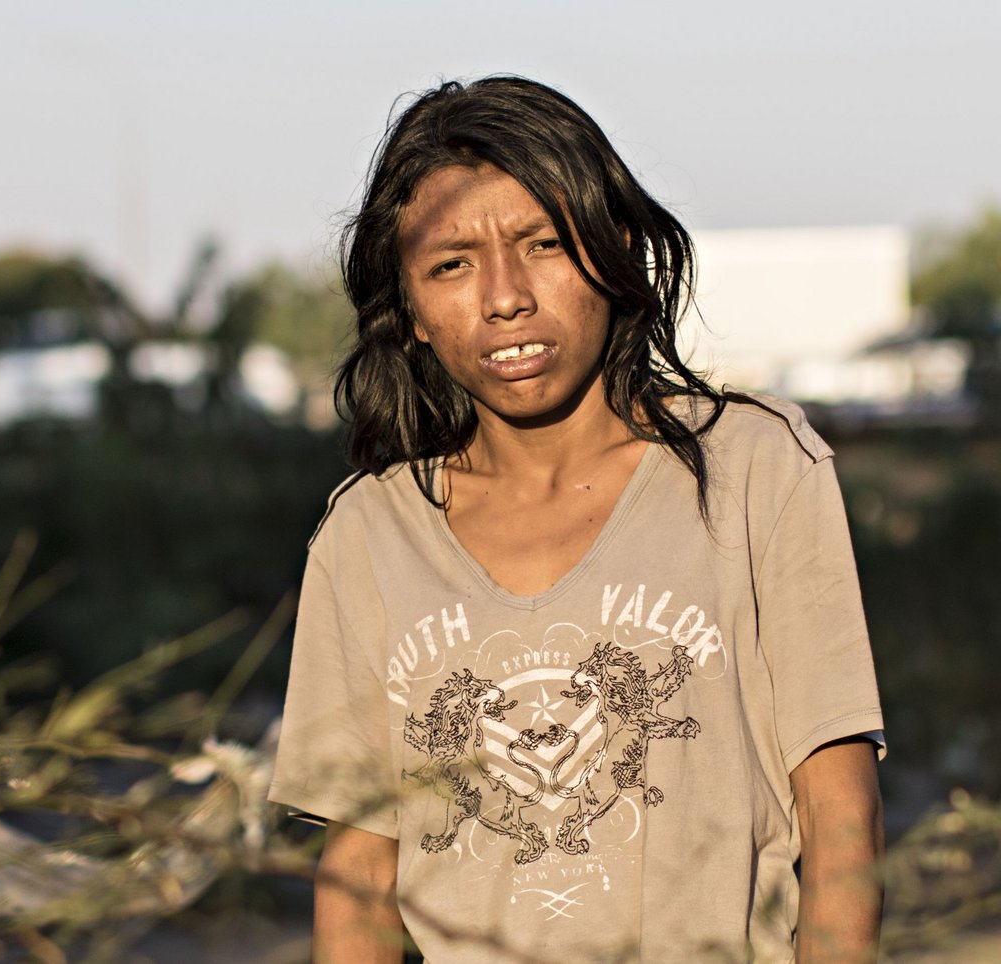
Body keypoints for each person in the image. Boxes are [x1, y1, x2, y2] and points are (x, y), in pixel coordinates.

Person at [268, 76, 885, 963]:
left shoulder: (754, 467)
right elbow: (362, 877)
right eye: (452, 264)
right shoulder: (369, 537)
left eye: (544, 244)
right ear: (409, 314)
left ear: (616, 250)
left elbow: (841, 809)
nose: (505, 297)